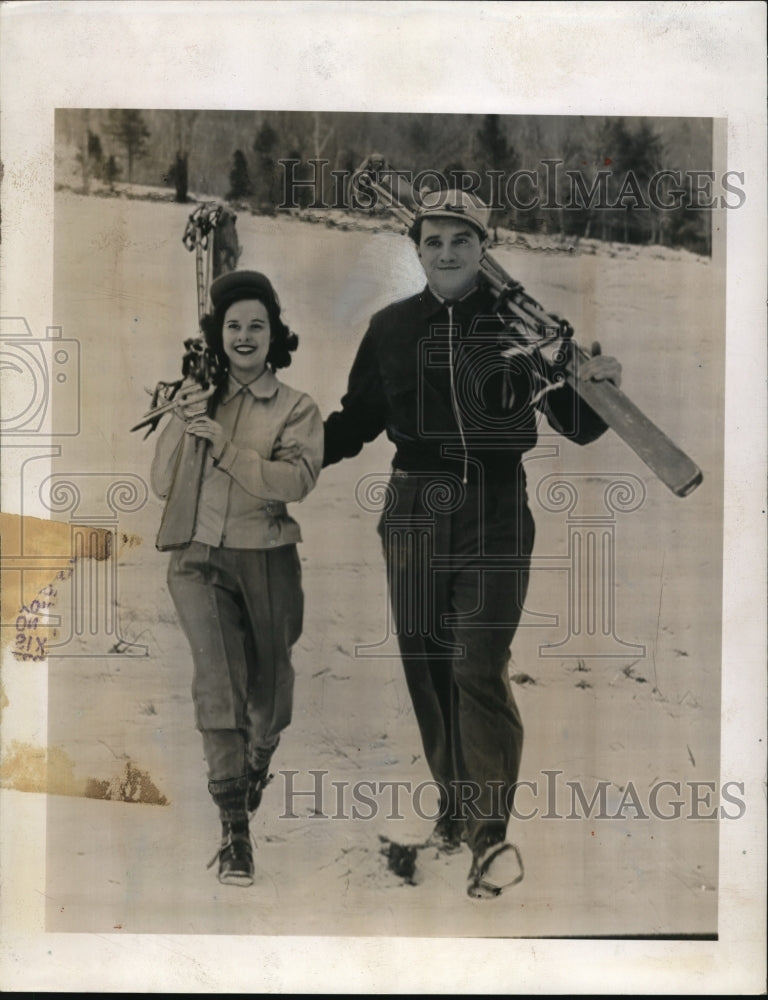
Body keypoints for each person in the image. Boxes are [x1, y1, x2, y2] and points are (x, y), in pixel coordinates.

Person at [323, 189, 621, 898]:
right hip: (413, 507)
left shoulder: (524, 328)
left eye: (463, 239)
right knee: (427, 668)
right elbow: (354, 421)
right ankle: (453, 816)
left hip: (494, 509)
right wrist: (283, 448)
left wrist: (599, 384)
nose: (448, 252)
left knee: (475, 666)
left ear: (484, 247)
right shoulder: (391, 327)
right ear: (417, 249)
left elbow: (578, 425)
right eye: (435, 241)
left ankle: (490, 839)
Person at [151, 270, 324, 887]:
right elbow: (160, 482)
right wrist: (182, 418)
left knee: (269, 694)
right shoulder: (199, 395)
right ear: (217, 335)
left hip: (266, 557)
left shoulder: (297, 408)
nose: (245, 336)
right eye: (233, 326)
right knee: (218, 682)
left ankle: (259, 755)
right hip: (197, 558)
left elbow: (295, 482)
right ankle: (235, 832)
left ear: (275, 334)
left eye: (257, 325)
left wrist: (226, 448)